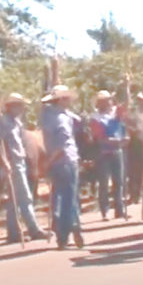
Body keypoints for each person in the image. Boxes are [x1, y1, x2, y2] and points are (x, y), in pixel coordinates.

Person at [0, 92, 47, 243]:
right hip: (12, 163)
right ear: (11, 107)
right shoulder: (3, 122)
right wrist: (4, 162)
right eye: (19, 105)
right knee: (25, 196)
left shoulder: (16, 122)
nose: (22, 108)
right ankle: (34, 229)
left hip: (19, 160)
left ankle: (14, 233)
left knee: (13, 200)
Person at [40, 85, 84, 249]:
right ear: (62, 100)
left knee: (62, 197)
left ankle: (70, 228)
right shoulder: (60, 119)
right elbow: (62, 145)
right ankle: (66, 233)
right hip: (65, 160)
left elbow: (76, 119)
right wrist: (49, 162)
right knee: (69, 199)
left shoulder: (50, 115)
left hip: (58, 162)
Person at [90, 90, 130, 221]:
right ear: (100, 103)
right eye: (106, 100)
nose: (109, 102)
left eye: (109, 100)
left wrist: (126, 87)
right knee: (104, 183)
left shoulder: (115, 113)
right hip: (103, 153)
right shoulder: (95, 118)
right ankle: (105, 210)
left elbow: (126, 104)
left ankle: (120, 209)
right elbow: (99, 138)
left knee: (119, 182)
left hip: (117, 150)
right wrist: (116, 141)